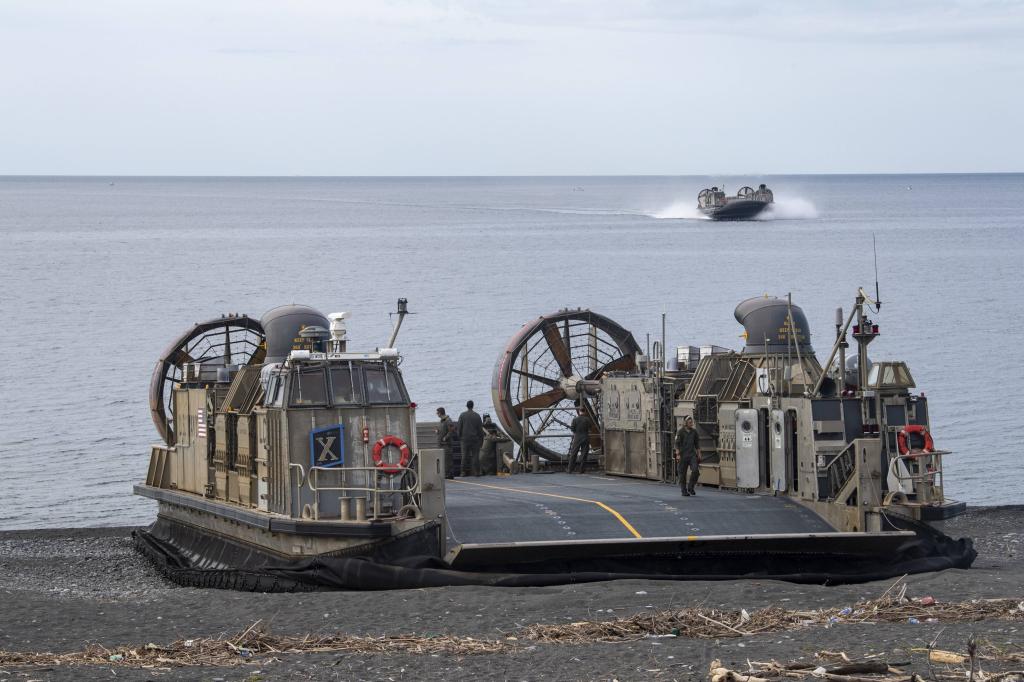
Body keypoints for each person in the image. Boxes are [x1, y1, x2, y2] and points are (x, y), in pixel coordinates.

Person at [674, 416, 701, 496]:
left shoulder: (694, 432)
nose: (691, 424)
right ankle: (684, 491)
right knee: (682, 474)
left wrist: (699, 453)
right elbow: (677, 444)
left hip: (692, 454)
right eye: (690, 422)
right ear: (685, 423)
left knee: (695, 471)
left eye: (692, 422)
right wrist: (678, 454)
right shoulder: (680, 432)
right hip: (683, 455)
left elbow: (697, 444)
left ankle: (691, 487)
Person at [457, 400, 484, 477]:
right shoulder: (477, 416)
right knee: (475, 456)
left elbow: (459, 428)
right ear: (473, 406)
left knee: (464, 456)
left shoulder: (462, 415)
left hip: (464, 439)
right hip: (475, 439)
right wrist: (481, 441)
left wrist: (460, 437)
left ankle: (463, 472)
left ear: (467, 406)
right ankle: (477, 472)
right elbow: (480, 430)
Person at [566, 408, 593, 473]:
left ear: (579, 412)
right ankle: (581, 470)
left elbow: (572, 429)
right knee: (584, 454)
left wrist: (576, 432)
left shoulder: (575, 419)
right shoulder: (587, 419)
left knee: (574, 453)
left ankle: (570, 469)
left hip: (577, 437)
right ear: (585, 412)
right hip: (585, 436)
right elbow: (590, 428)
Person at [436, 407, 455, 479]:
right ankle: (446, 473)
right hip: (441, 444)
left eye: (437, 413)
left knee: (448, 460)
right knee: (444, 460)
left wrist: (446, 437)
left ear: (440, 413)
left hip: (446, 444)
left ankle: (449, 474)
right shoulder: (442, 421)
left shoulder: (448, 420)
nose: (437, 414)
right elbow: (443, 430)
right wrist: (437, 431)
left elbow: (451, 431)